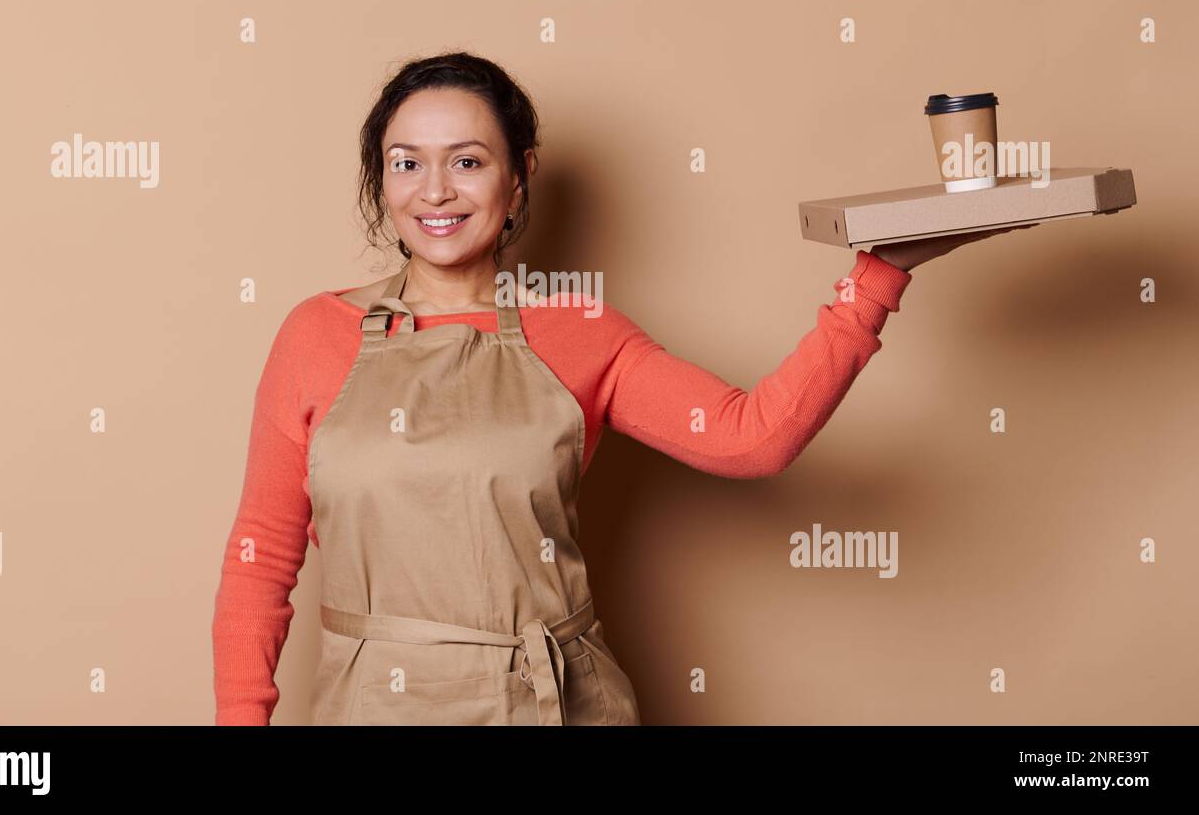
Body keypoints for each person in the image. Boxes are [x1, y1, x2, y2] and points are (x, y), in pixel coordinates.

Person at [211, 51, 1030, 725]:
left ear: (519, 176)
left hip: (554, 706)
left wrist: (877, 277)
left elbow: (752, 437)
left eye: (467, 161)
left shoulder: (580, 328)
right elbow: (261, 561)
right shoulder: (314, 336)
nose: (435, 191)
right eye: (407, 164)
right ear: (380, 183)